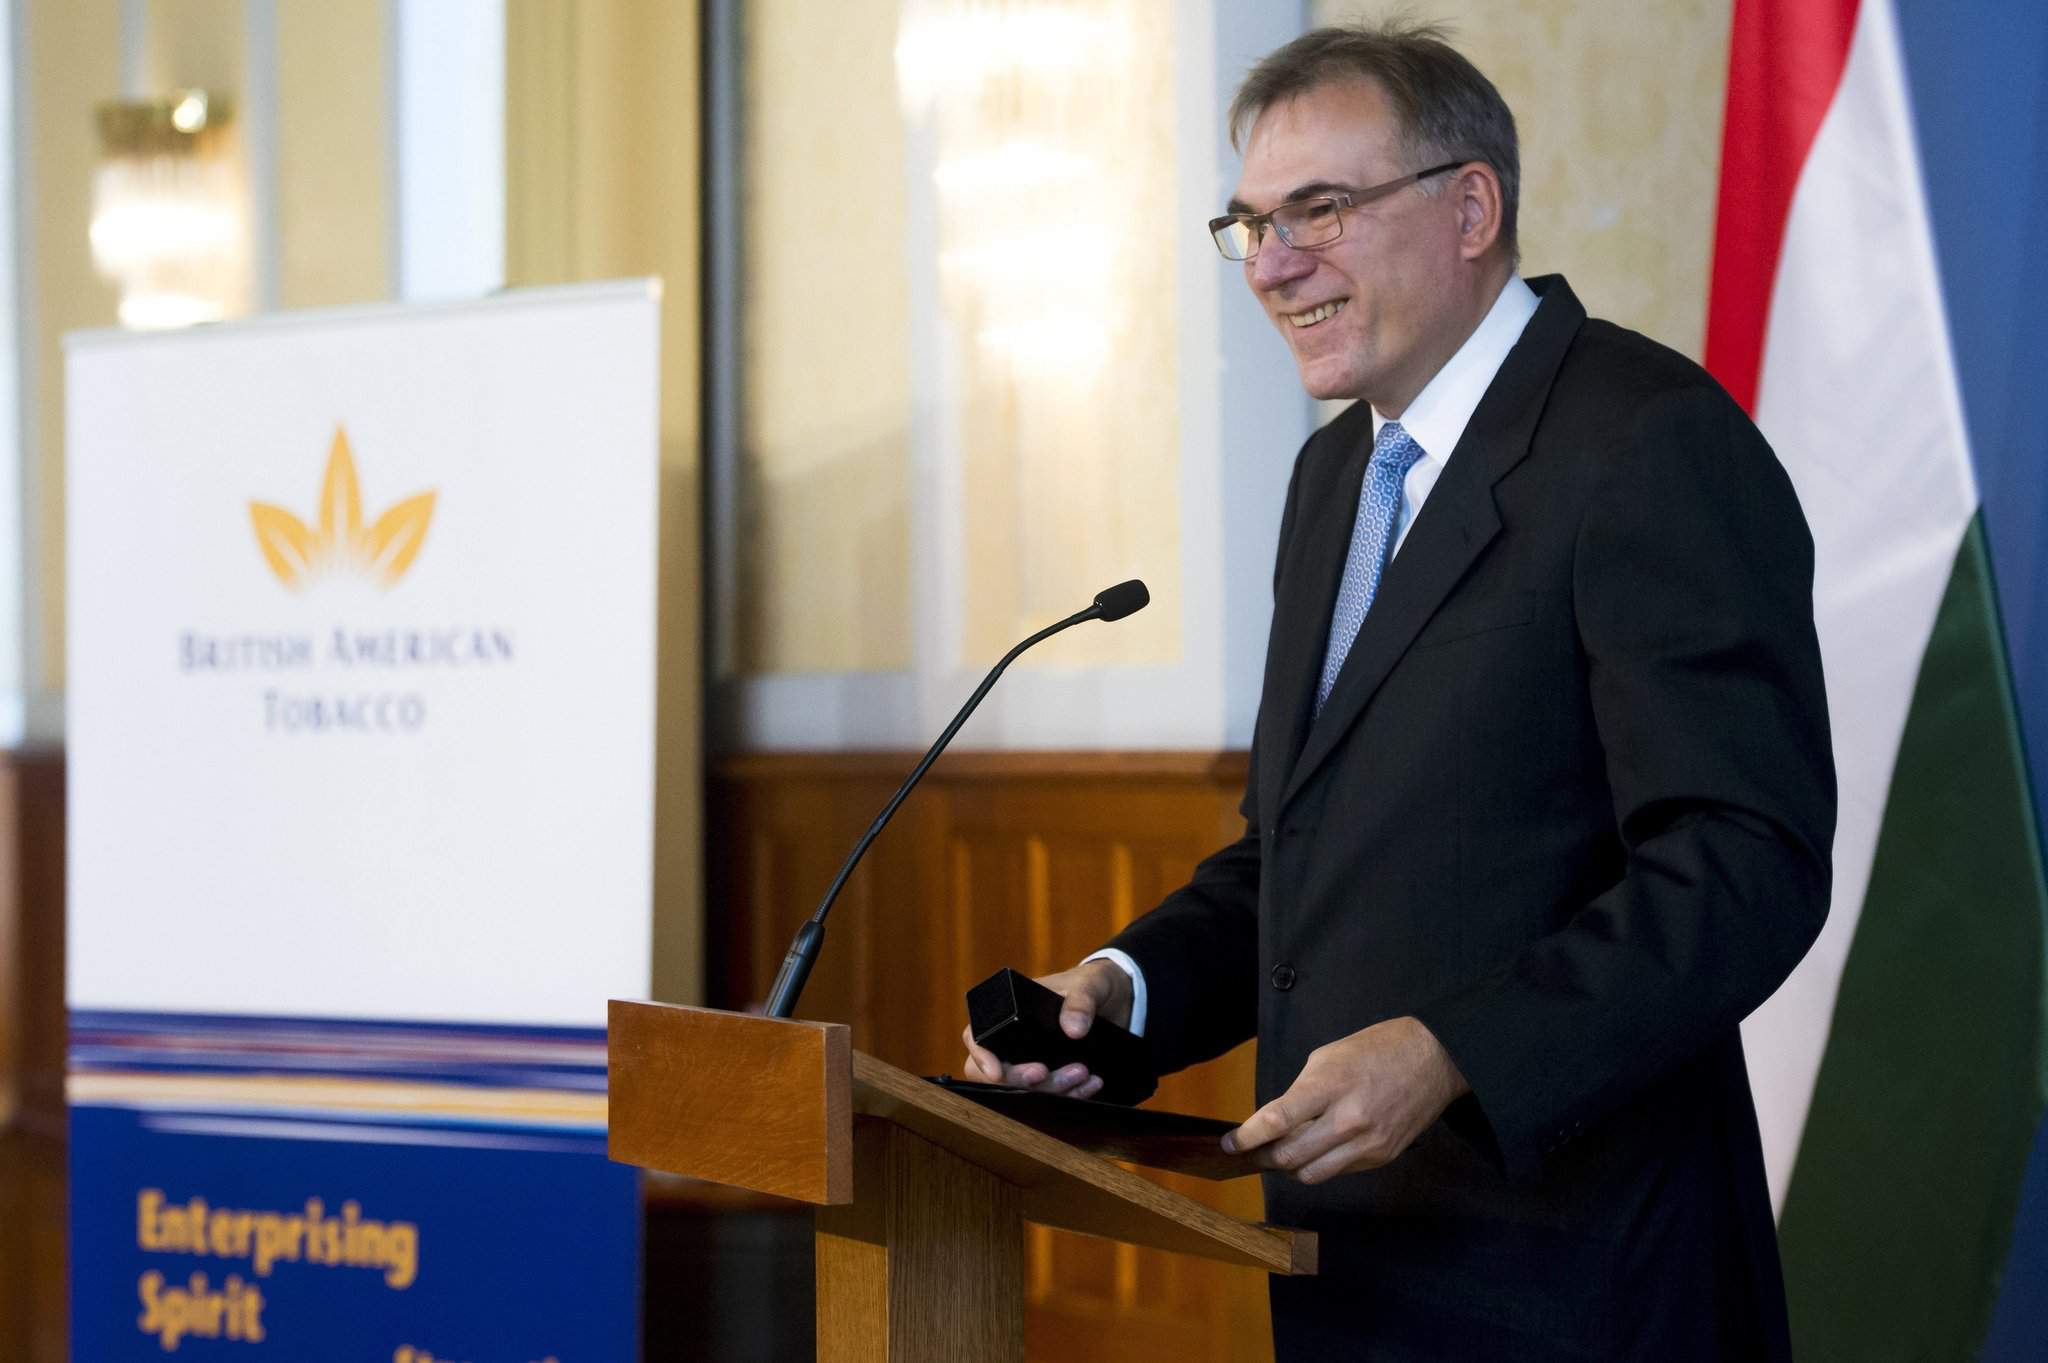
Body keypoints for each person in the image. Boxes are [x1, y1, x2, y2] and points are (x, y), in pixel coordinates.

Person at [961, 20, 1836, 1362]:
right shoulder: (1334, 478)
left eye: (1320, 209)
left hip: (1583, 1276)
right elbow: (1299, 859)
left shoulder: (1645, 441)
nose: (1274, 264)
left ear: (1470, 207)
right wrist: (1121, 993)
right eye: (1251, 225)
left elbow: (1744, 862)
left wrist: (1456, 1051)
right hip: (1354, 1266)